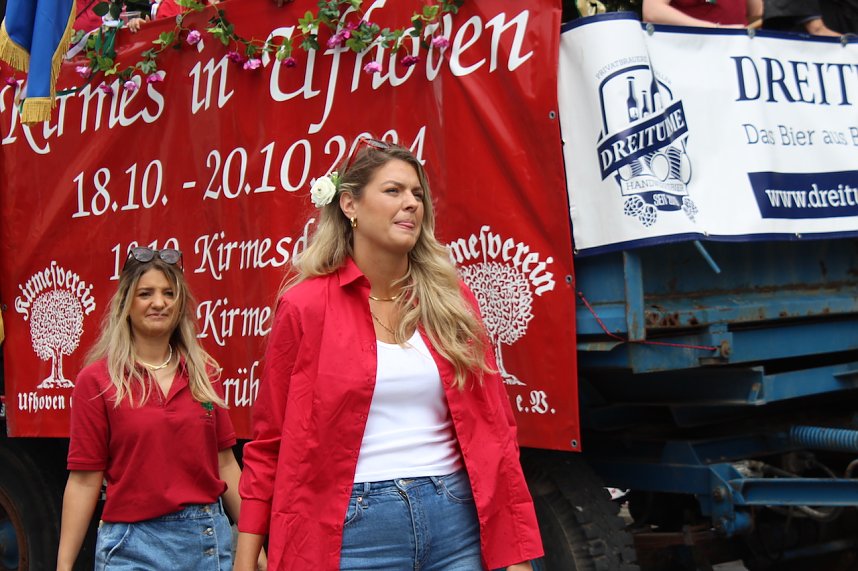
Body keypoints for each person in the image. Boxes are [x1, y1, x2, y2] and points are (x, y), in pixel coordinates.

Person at [234, 140, 544, 571]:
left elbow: (497, 429)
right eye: (393, 191)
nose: (411, 204)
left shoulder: (452, 301)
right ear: (349, 204)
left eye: (417, 194)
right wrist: (246, 559)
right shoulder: (304, 307)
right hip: (353, 531)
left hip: (457, 521)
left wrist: (517, 554)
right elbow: (270, 441)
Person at [56, 247, 253, 570]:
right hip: (131, 544)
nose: (159, 303)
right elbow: (83, 481)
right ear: (126, 303)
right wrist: (63, 565)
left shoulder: (203, 373)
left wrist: (251, 542)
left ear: (179, 305)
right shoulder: (97, 380)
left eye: (169, 293)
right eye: (145, 293)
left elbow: (226, 466)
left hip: (205, 541)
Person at [643, 0, 763, 27]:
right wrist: (716, 29)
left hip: (739, 57)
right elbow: (653, 11)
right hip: (694, 54)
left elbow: (757, 11)